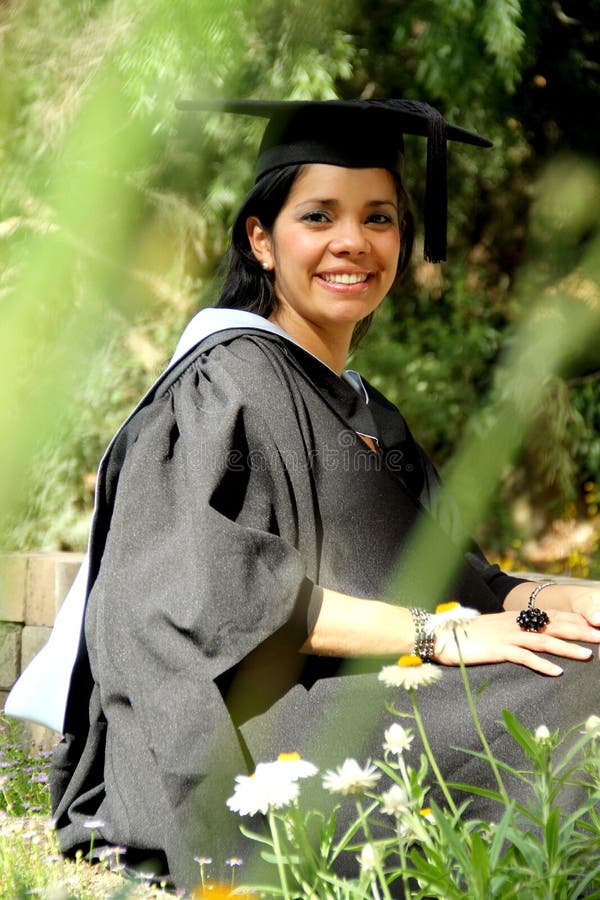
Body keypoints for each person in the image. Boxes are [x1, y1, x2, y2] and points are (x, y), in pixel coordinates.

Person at [50, 99, 600, 892]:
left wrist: (563, 596)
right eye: (318, 216)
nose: (354, 241)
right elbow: (211, 594)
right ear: (261, 240)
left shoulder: (367, 410)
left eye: (379, 217)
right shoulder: (222, 382)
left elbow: (469, 585)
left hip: (392, 691)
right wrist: (435, 636)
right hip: (264, 737)